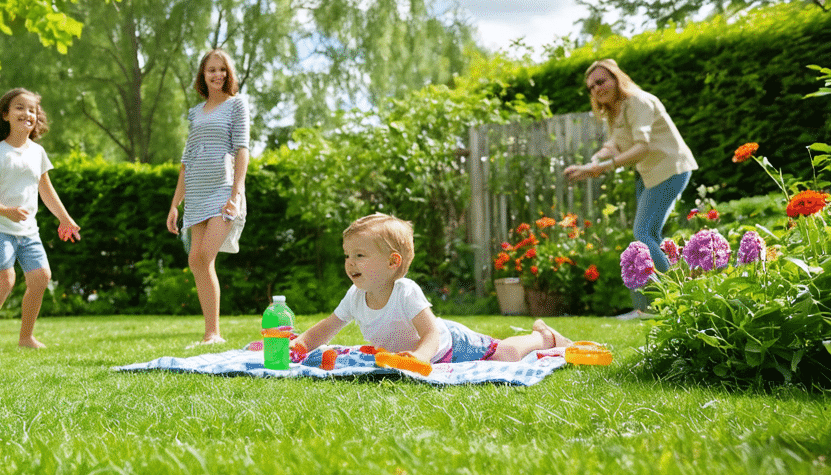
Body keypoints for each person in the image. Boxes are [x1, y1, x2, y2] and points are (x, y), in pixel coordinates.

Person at [292, 214, 571, 363]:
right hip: (417, 356)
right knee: (501, 356)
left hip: (451, 345)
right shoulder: (355, 296)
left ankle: (543, 338)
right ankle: (541, 337)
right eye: (347, 255)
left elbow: (430, 333)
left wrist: (419, 358)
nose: (350, 262)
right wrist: (302, 344)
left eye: (360, 255)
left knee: (504, 356)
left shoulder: (405, 291)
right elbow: (328, 327)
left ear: (392, 262)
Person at [563, 58, 697, 319]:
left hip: (670, 168)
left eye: (601, 81)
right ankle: (654, 307)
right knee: (651, 238)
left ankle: (678, 298)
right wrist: (593, 162)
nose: (597, 89)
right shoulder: (616, 110)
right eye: (591, 87)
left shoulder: (638, 101)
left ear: (616, 78)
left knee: (642, 233)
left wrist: (600, 168)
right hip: (648, 174)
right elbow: (615, 143)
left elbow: (642, 146)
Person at [0, 88, 81, 352]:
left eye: (32, 110)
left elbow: (46, 190)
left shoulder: (37, 153)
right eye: (20, 108)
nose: (27, 113)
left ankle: (26, 338)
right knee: (6, 281)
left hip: (28, 230)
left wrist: (66, 219)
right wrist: (7, 211)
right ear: (5, 115)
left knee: (41, 277)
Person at [166, 48, 251, 346]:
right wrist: (175, 204)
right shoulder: (195, 112)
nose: (217, 75)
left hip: (223, 189)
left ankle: (214, 333)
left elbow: (242, 149)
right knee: (196, 260)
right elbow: (186, 160)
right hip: (197, 191)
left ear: (229, 74)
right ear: (202, 75)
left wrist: (235, 193)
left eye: (222, 70)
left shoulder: (237, 105)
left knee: (205, 256)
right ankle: (209, 333)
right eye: (211, 70)